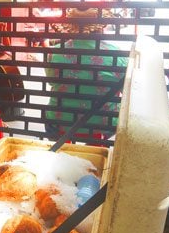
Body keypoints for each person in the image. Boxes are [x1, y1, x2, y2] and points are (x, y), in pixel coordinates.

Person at [45, 8, 128, 140]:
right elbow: (126, 93)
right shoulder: (118, 55)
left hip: (59, 123)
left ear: (72, 28)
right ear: (101, 28)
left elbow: (51, 81)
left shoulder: (54, 54)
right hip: (101, 126)